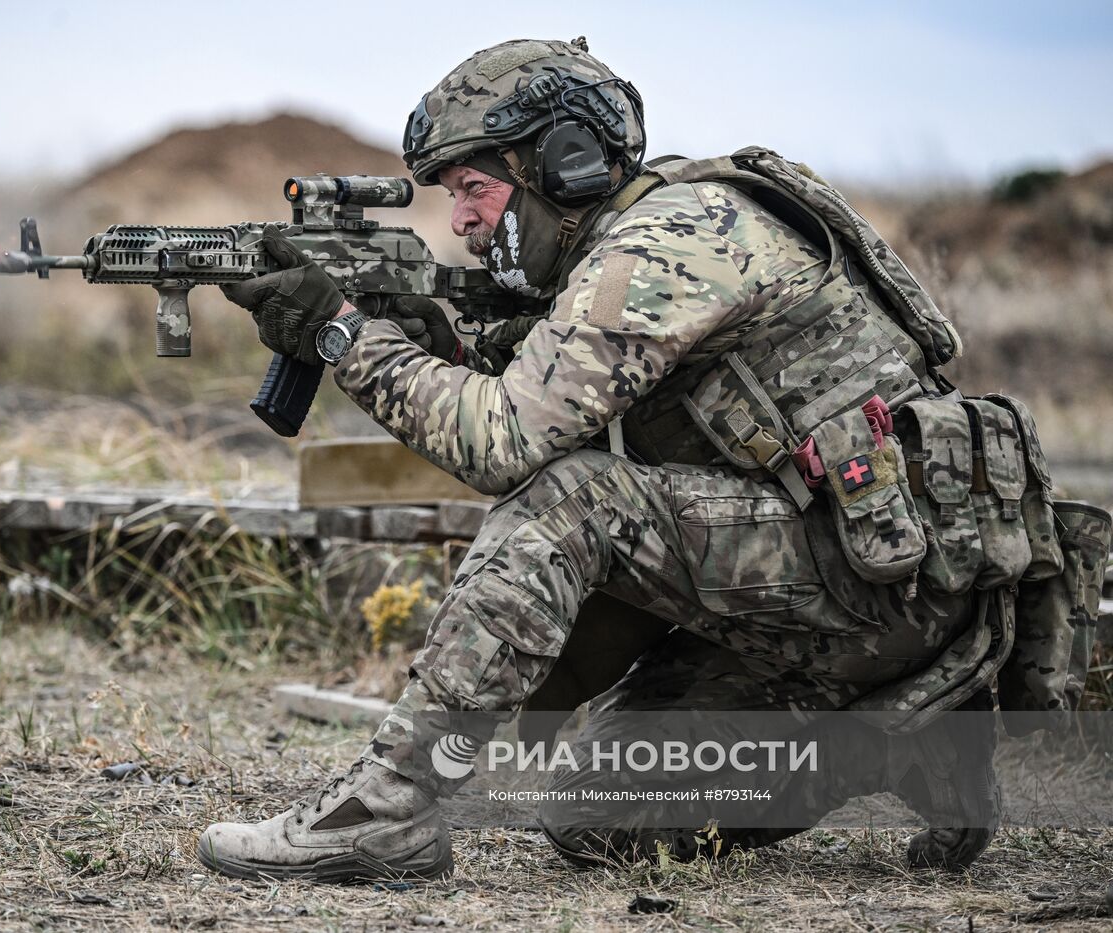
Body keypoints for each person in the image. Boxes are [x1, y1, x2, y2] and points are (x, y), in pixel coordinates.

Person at [198, 37, 1100, 882]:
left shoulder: (674, 241)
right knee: (593, 812)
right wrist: (438, 347)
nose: (463, 221)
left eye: (473, 186)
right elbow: (574, 407)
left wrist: (345, 335)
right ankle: (900, 737)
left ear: (563, 164)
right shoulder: (625, 244)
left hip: (875, 580)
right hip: (839, 586)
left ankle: (380, 812)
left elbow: (507, 442)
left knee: (570, 501)